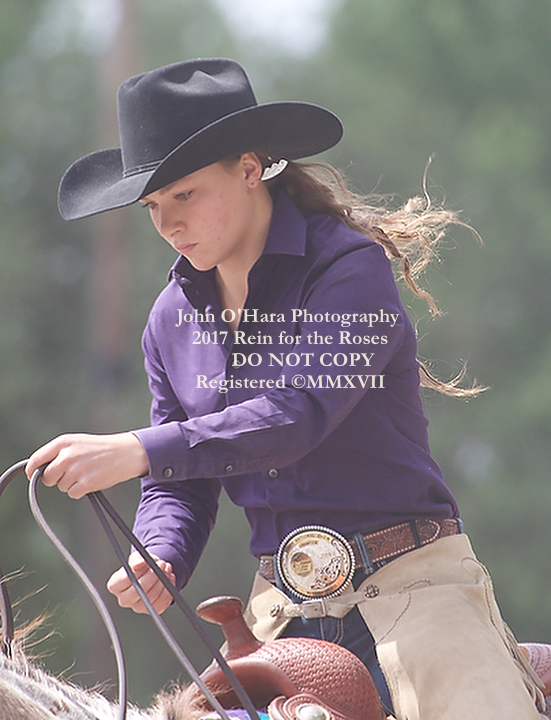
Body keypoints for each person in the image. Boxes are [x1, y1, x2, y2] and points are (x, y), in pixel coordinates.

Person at [25, 58, 545, 719]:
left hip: (417, 592)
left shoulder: (348, 266)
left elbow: (295, 414)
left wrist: (139, 448)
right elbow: (180, 481)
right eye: (153, 205)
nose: (167, 224)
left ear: (249, 168)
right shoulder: (169, 319)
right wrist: (161, 549)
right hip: (279, 610)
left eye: (184, 194)